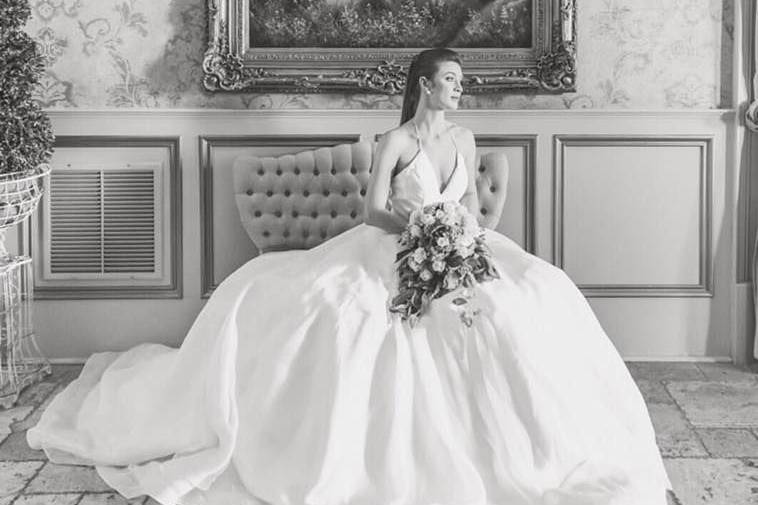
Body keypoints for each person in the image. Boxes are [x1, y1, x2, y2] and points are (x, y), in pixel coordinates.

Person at [27, 48, 673, 505]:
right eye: (450, 80)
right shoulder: (395, 141)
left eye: (460, 81)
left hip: (463, 246)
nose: (459, 90)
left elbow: (472, 210)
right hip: (392, 245)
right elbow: (372, 211)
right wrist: (422, 234)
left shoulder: (468, 139)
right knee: (354, 318)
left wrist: (462, 246)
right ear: (424, 86)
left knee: (531, 300)